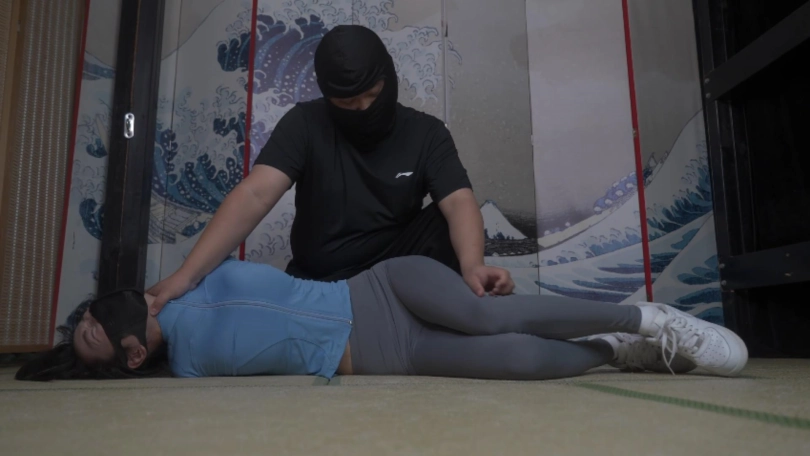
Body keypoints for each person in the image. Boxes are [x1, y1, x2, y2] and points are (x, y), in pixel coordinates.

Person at [146, 24, 514, 315]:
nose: (363, 109)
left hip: (393, 271)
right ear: (327, 94)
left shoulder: (426, 133)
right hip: (319, 280)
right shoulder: (304, 124)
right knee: (233, 285)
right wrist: (186, 276)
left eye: (373, 95)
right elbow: (255, 193)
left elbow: (458, 200)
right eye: (347, 102)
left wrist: (472, 265)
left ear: (389, 77)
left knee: (442, 221)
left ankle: (450, 312)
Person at [16, 256, 748, 382]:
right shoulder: (187, 371)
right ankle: (616, 351)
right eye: (94, 342)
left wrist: (164, 290)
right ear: (128, 359)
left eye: (92, 321)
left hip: (380, 289)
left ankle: (649, 319)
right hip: (386, 356)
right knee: (520, 362)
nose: (96, 327)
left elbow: (247, 202)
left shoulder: (184, 280)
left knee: (485, 320)